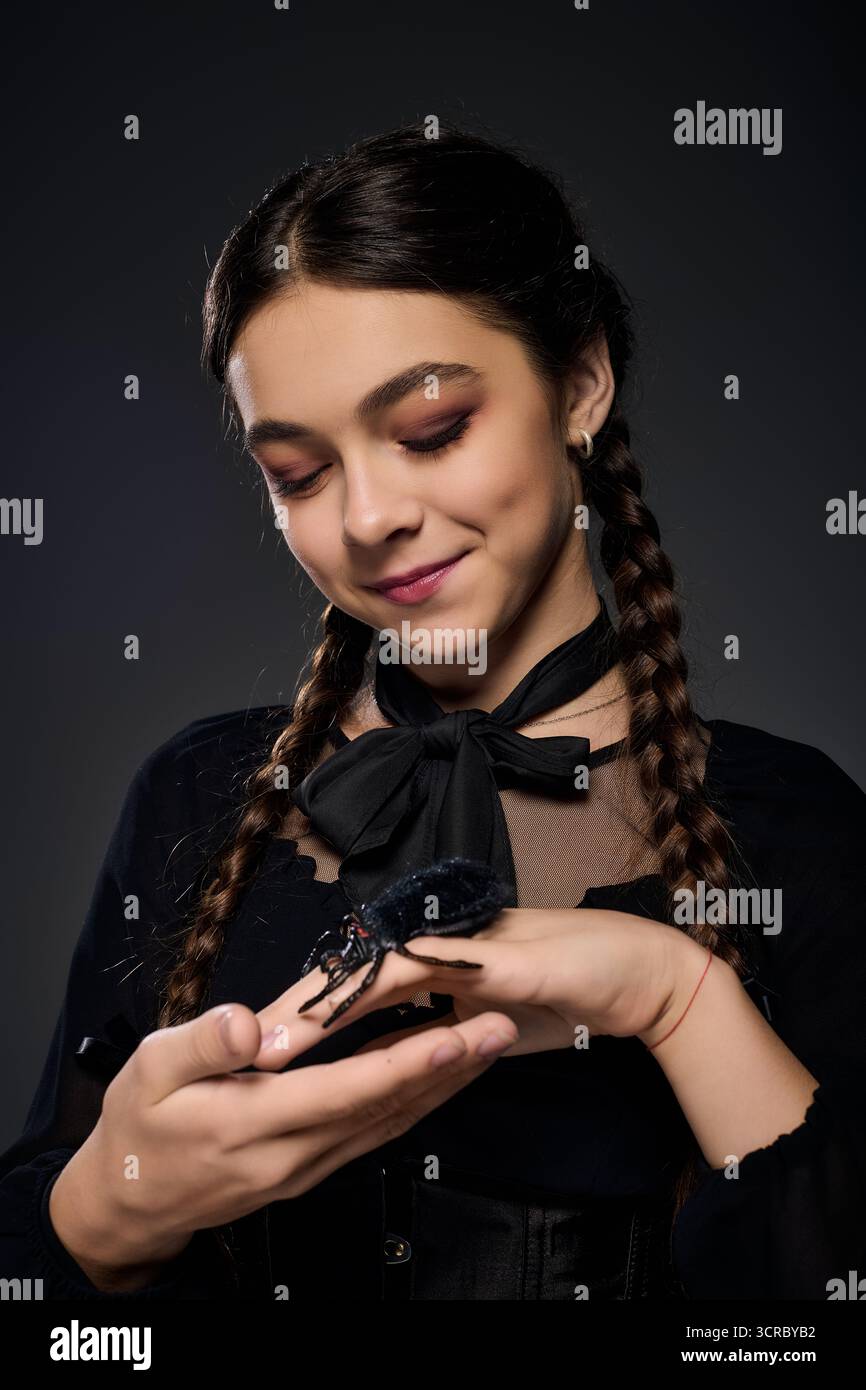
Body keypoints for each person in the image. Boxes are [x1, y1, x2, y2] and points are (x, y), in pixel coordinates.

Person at [1, 121, 864, 1302]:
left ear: (579, 383)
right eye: (297, 474)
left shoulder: (796, 823)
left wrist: (671, 993)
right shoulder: (198, 795)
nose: (364, 517)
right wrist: (102, 1210)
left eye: (429, 430)